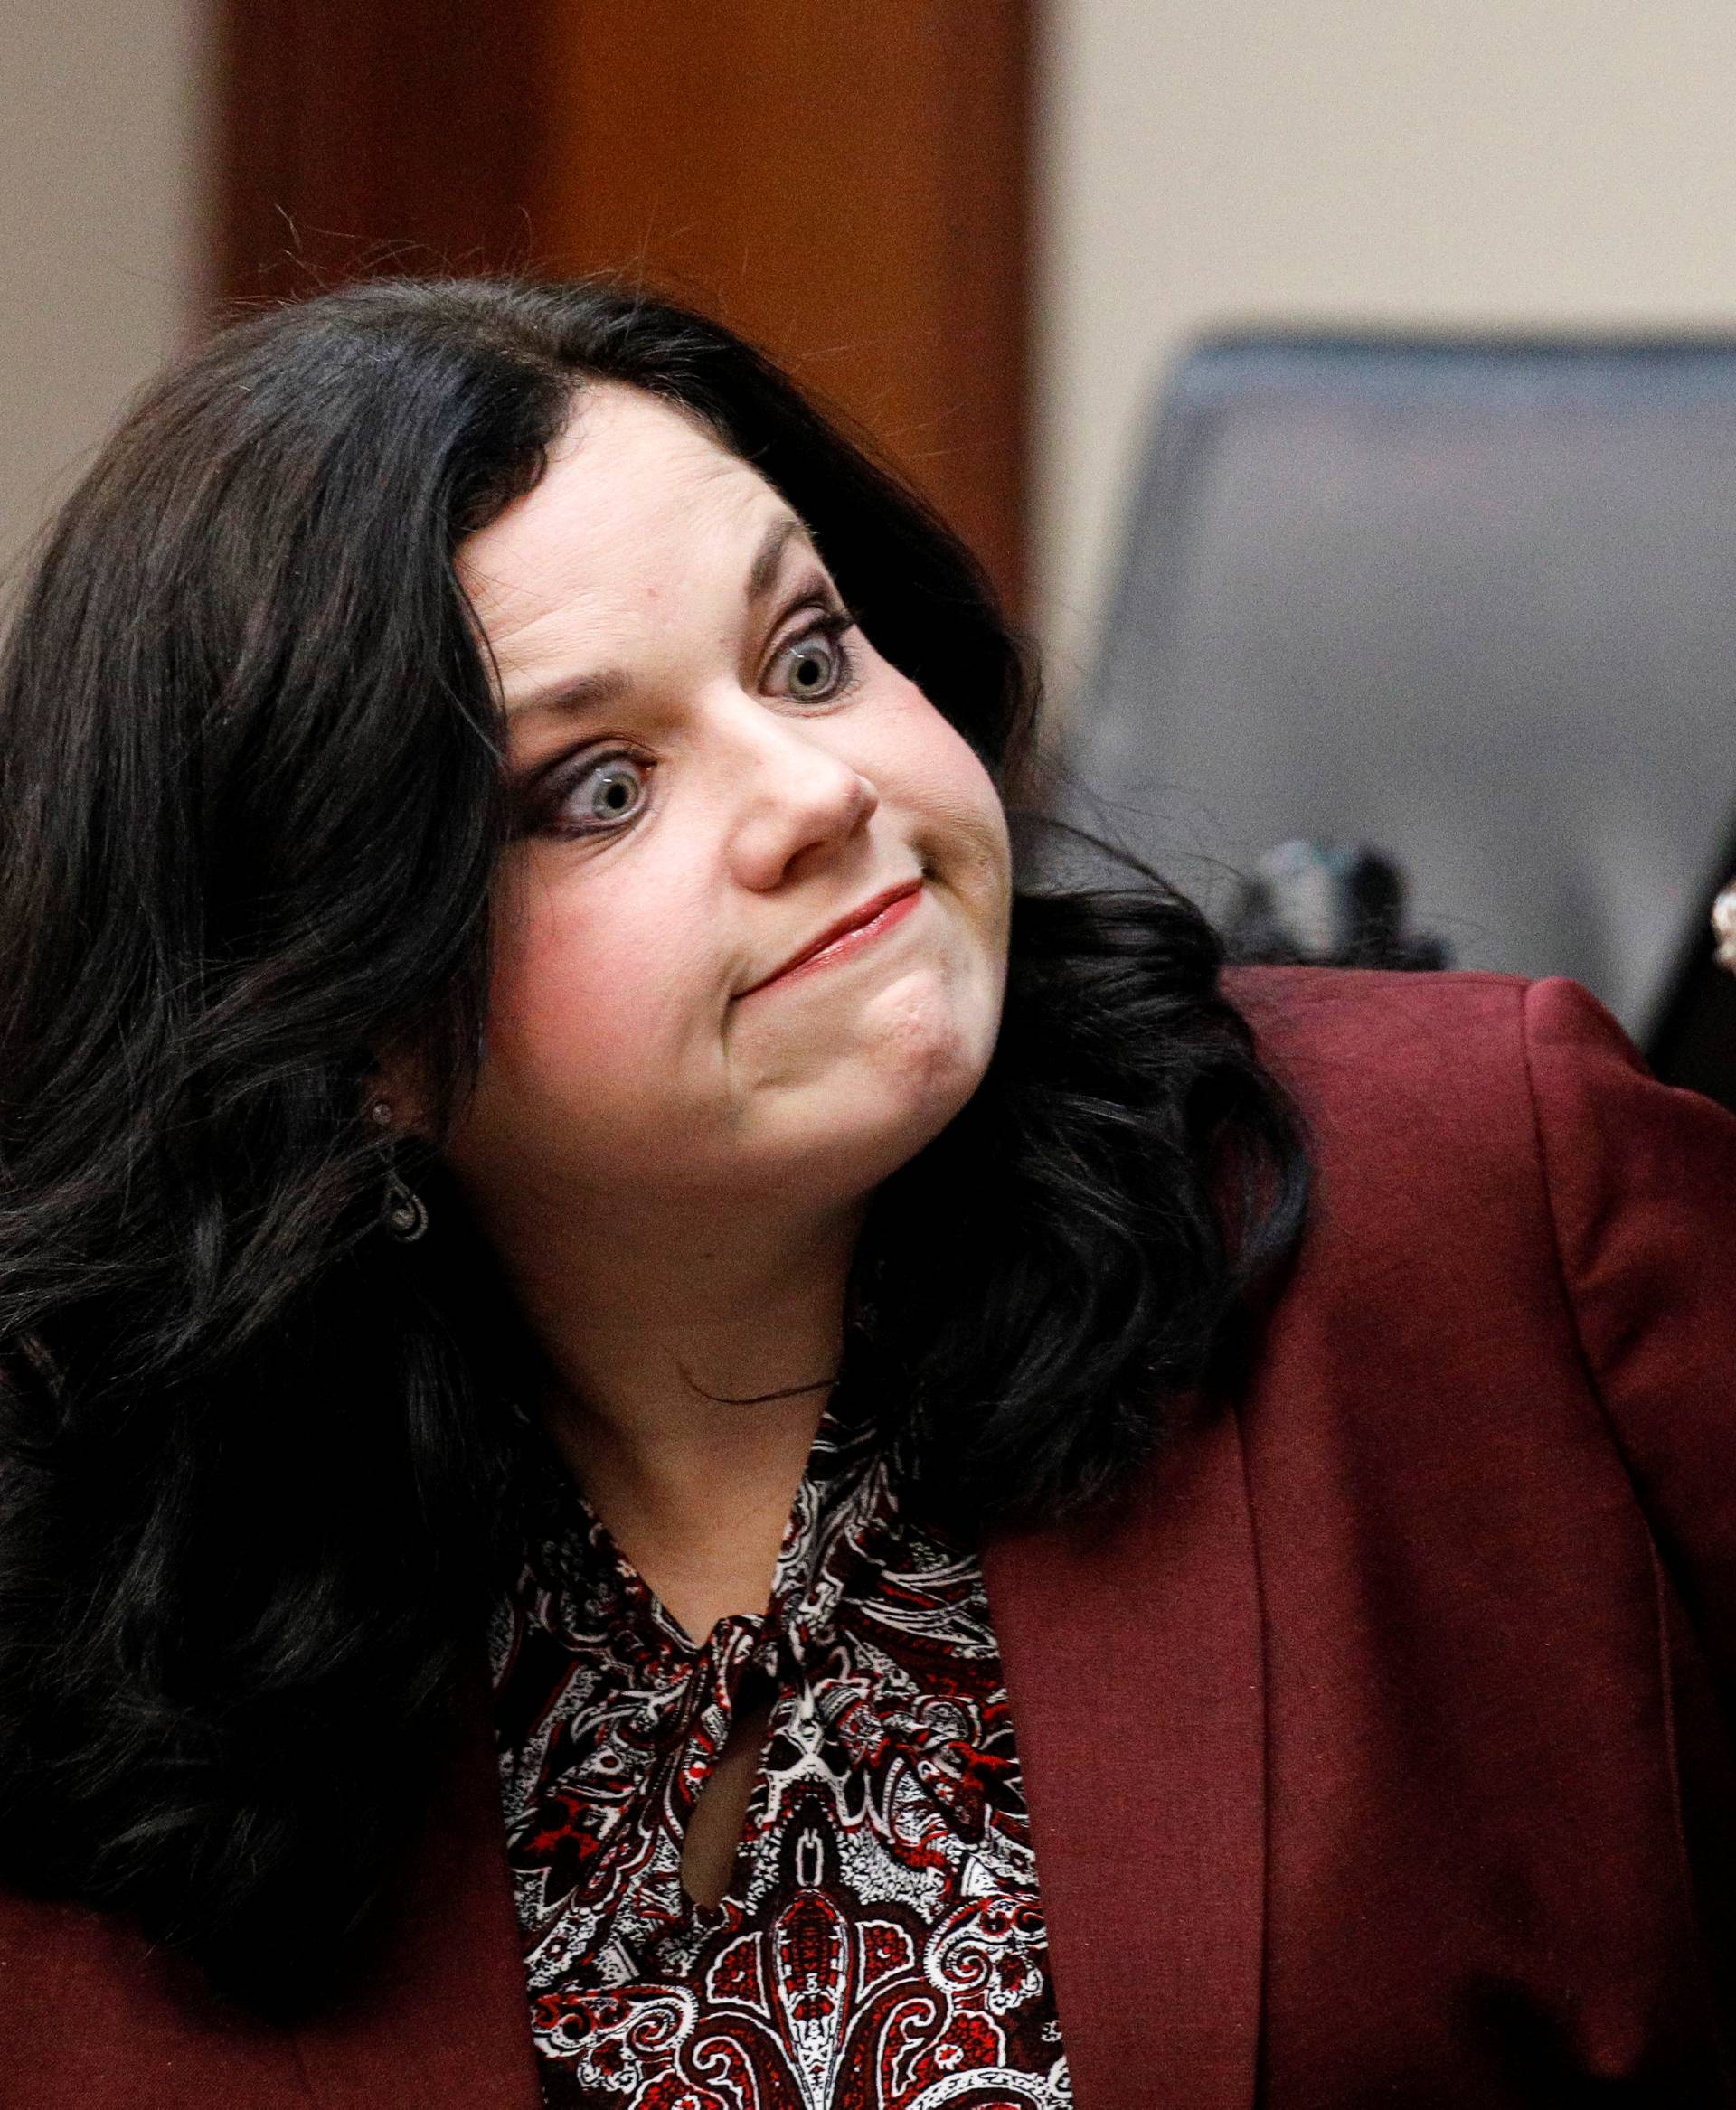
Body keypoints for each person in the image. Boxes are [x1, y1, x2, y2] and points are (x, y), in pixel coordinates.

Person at [0, 278, 1730, 2110]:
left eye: (808, 658)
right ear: (348, 1031)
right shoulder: (140, 1621)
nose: (815, 791)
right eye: (598, 790)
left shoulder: (1488, 1199)